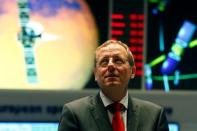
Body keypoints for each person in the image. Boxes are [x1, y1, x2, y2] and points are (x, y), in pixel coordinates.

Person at [58, 40, 169, 131]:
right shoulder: (75, 113)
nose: (111, 66)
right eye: (104, 62)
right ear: (95, 74)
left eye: (118, 60)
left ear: (133, 71)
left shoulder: (154, 115)